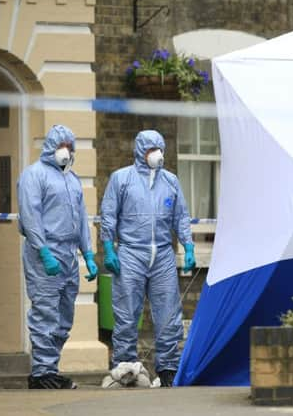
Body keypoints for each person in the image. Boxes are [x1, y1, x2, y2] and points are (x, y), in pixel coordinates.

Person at [100, 129, 195, 388]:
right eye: (152, 149)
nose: (158, 154)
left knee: (168, 314)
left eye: (160, 148)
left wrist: (188, 246)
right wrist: (109, 248)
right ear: (140, 151)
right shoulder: (122, 179)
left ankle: (167, 369)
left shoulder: (170, 181)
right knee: (127, 311)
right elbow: (109, 215)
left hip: (163, 253)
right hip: (130, 251)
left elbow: (181, 216)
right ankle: (125, 367)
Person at [17, 124, 98, 389]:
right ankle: (41, 374)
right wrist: (43, 251)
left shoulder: (72, 180)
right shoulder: (34, 175)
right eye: (61, 145)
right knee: (45, 313)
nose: (66, 150)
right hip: (45, 255)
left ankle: (50, 368)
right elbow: (31, 216)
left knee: (64, 317)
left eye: (70, 146)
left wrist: (88, 253)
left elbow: (82, 220)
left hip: (69, 256)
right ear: (50, 147)